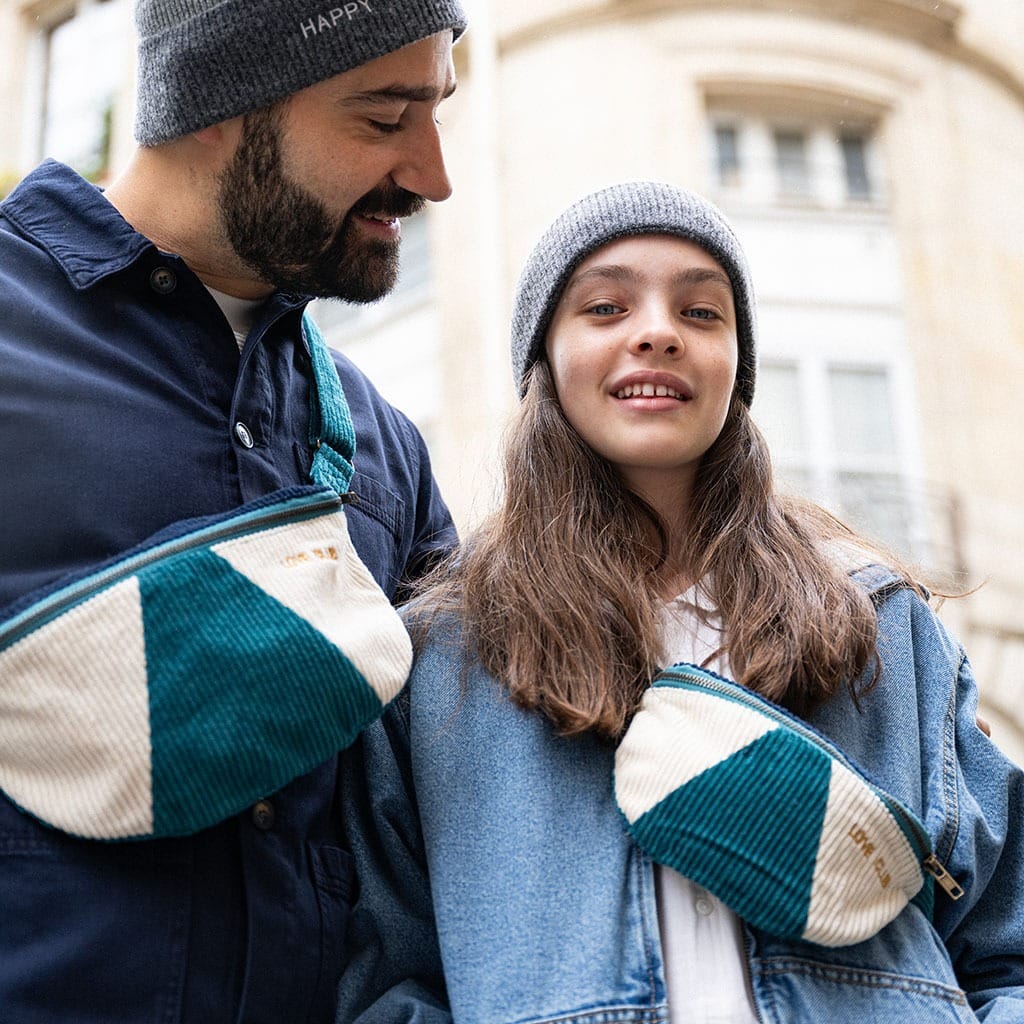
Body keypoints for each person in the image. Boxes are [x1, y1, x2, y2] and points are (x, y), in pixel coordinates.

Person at [337, 181, 1024, 1023]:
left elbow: (1005, 942)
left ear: (739, 365)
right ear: (543, 358)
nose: (657, 331)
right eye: (604, 307)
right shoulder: (441, 658)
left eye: (702, 312)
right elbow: (389, 981)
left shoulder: (878, 622)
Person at [0, 0, 466, 1021]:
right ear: (214, 102)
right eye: (385, 117)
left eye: (437, 113)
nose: (432, 174)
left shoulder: (385, 450)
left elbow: (444, 816)